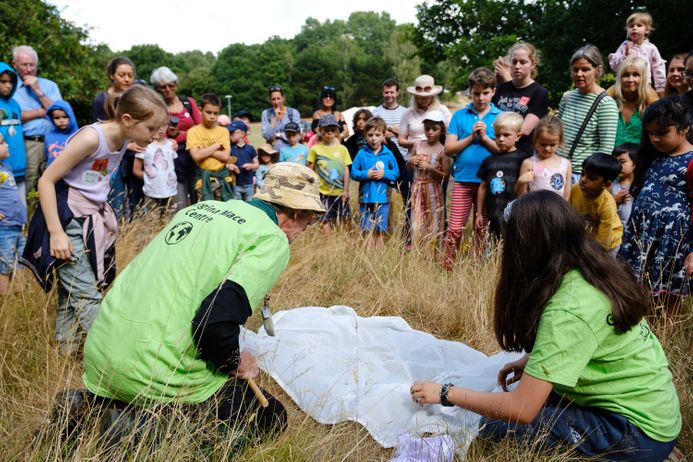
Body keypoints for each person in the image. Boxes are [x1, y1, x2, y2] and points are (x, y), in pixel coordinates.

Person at [411, 191, 681, 461]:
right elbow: (586, 341)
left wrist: (446, 393)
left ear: (526, 247)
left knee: (491, 427)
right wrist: (532, 361)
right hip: (656, 412)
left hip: (634, 432)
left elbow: (523, 409)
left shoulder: (569, 308)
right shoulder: (593, 270)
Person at [72, 163, 326, 449]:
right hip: (153, 372)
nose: (306, 229)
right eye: (310, 220)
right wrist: (236, 361)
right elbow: (212, 327)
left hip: (100, 357)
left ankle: (92, 411)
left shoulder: (197, 210)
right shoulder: (271, 238)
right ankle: (144, 436)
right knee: (271, 417)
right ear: (295, 212)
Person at [21, 85, 168, 355]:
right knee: (88, 294)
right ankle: (119, 355)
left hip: (90, 215)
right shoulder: (91, 138)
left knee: (73, 289)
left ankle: (65, 351)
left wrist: (139, 140)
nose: (156, 135)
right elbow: (46, 180)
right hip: (66, 217)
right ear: (127, 120)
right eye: (151, 129)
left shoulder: (124, 137)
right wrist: (56, 233)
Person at [620, 97, 693, 316]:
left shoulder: (691, 160)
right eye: (650, 133)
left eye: (662, 133)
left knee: (665, 302)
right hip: (642, 237)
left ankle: (664, 346)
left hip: (673, 243)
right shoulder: (651, 157)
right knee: (635, 295)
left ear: (685, 128)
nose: (655, 139)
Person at [443, 68, 500, 270]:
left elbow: (503, 150)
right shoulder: (460, 116)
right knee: (455, 228)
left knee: (481, 228)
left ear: (493, 91)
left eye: (485, 93)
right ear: (470, 92)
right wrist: (470, 138)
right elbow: (448, 149)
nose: (480, 98)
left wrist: (485, 138)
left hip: (489, 182)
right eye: (476, 93)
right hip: (463, 180)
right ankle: (447, 267)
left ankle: (477, 268)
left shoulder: (499, 117)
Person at [398, 75, 452, 248]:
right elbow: (401, 139)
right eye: (419, 94)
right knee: (414, 213)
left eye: (426, 94)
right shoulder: (409, 112)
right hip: (416, 168)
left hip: (434, 170)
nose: (423, 98)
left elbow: (451, 133)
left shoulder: (442, 110)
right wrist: (416, 145)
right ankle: (414, 245)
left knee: (435, 211)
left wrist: (436, 146)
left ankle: (435, 246)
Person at [557, 45, 618, 180]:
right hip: (556, 168)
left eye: (585, 69)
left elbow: (605, 151)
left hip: (580, 174)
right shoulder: (567, 97)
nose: (579, 74)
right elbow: (557, 132)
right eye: (575, 70)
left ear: (598, 70)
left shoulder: (605, 104)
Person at [11, 45, 62, 197]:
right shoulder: (9, 87)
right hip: (26, 144)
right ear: (15, 65)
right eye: (24, 65)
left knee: (52, 187)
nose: (29, 69)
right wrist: (41, 111)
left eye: (32, 64)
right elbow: (12, 117)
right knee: (27, 187)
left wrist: (37, 90)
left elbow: (59, 113)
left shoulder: (50, 86)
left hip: (52, 142)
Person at [151, 66, 202, 211]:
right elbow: (156, 134)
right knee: (179, 201)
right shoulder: (157, 108)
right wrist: (171, 136)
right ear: (157, 89)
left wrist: (178, 136)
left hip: (193, 156)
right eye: (163, 86)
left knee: (196, 196)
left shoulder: (188, 103)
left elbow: (200, 128)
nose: (167, 89)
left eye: (170, 85)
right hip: (171, 160)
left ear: (176, 85)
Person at [475, 112, 527, 240]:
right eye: (497, 135)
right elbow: (482, 187)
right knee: (492, 247)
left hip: (514, 216)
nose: (501, 139)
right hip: (492, 215)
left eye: (506, 135)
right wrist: (479, 213)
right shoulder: (488, 160)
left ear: (518, 136)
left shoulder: (523, 159)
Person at [491, 42, 549, 155]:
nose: (517, 66)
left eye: (523, 62)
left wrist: (496, 132)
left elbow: (524, 130)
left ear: (533, 64)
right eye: (514, 62)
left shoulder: (539, 92)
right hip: (494, 151)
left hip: (521, 154)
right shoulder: (500, 89)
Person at [350, 117, 399, 248]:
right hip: (365, 198)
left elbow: (396, 173)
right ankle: (367, 254)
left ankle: (379, 256)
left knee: (380, 229)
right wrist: (366, 174)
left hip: (383, 199)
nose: (373, 138)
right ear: (365, 136)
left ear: (383, 135)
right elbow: (353, 172)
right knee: (367, 228)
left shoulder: (388, 154)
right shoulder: (361, 154)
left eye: (378, 135)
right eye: (370, 135)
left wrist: (385, 174)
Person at [407, 111, 448, 254]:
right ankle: (419, 253)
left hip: (433, 191)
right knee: (416, 223)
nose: (430, 132)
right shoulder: (417, 145)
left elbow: (445, 176)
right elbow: (408, 166)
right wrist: (410, 161)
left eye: (434, 129)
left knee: (434, 222)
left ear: (441, 130)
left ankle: (434, 255)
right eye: (427, 128)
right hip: (417, 189)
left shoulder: (443, 150)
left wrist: (430, 168)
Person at [187, 93, 238, 202]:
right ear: (200, 110)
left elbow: (225, 157)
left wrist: (205, 149)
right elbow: (196, 156)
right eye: (208, 112)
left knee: (224, 214)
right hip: (202, 182)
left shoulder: (223, 131)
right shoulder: (193, 132)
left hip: (222, 180)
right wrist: (216, 146)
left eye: (216, 113)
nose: (212, 116)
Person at [569, 153, 623, 255]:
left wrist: (595, 255)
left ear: (606, 184)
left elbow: (604, 239)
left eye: (591, 178)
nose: (583, 180)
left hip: (609, 243)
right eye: (582, 174)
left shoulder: (607, 205)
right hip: (587, 237)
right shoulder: (575, 189)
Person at [307, 114, 352, 230]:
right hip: (322, 193)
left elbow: (346, 170)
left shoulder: (342, 149)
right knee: (325, 219)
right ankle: (328, 242)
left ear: (337, 131)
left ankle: (345, 242)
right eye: (326, 130)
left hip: (339, 192)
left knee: (345, 219)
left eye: (332, 130)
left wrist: (346, 190)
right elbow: (310, 170)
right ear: (320, 130)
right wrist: (311, 190)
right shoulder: (315, 149)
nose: (329, 132)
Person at [608, 11, 666, 95]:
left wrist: (660, 87)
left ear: (647, 30)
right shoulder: (624, 46)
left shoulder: (651, 48)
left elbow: (658, 67)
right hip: (625, 85)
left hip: (645, 85)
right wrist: (625, 55)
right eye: (631, 26)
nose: (634, 28)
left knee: (648, 105)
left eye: (639, 25)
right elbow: (614, 66)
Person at [607, 57, 659, 146]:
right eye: (626, 75)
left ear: (643, 78)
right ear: (620, 78)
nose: (630, 80)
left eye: (636, 75)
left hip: (640, 157)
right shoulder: (611, 101)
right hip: (611, 157)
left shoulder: (649, 102)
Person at [517, 115, 572, 199]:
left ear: (560, 142)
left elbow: (566, 195)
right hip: (535, 209)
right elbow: (521, 196)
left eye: (552, 144)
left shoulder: (566, 165)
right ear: (535, 140)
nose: (547, 148)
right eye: (543, 144)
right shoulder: (529, 164)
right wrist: (520, 182)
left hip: (557, 210)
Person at [0, 132, 27, 296]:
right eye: (2, 143)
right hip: (4, 228)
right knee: (5, 266)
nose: (7, 145)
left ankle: (18, 297)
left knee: (20, 263)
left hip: (16, 226)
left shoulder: (6, 167)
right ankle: (4, 300)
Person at [132, 125, 178, 213]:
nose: (161, 128)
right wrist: (150, 178)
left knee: (170, 222)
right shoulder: (145, 145)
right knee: (152, 223)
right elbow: (136, 170)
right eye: (158, 124)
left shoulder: (171, 145)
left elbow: (171, 168)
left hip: (170, 192)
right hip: (151, 193)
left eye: (164, 125)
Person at [0, 62, 26, 206]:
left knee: (20, 210)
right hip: (2, 168)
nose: (8, 85)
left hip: (19, 167)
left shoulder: (15, 104)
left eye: (11, 82)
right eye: (3, 81)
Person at [372, 78, 408, 158]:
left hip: (404, 156)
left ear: (397, 93)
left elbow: (408, 134)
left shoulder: (406, 112)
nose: (389, 95)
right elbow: (375, 134)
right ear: (382, 93)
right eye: (386, 92)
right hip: (383, 156)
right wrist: (397, 130)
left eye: (392, 92)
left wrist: (388, 128)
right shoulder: (375, 113)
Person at [91, 57, 135, 122]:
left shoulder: (134, 98)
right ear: (111, 75)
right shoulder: (101, 100)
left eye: (130, 75)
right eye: (122, 75)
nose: (127, 79)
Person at [261, 85, 301, 151]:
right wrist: (274, 118)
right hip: (274, 153)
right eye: (273, 99)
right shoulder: (265, 113)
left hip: (291, 151)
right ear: (269, 100)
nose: (276, 102)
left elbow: (298, 135)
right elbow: (267, 136)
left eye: (278, 98)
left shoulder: (293, 113)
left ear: (283, 98)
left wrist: (278, 135)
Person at [229, 120, 258, 201]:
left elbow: (257, 164)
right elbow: (225, 163)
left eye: (233, 132)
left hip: (249, 184)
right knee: (237, 205)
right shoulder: (230, 149)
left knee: (249, 205)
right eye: (229, 133)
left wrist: (251, 166)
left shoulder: (250, 148)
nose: (230, 135)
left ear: (242, 134)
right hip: (236, 184)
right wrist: (229, 166)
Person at [44, 100, 78, 168]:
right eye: (57, 118)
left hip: (73, 175)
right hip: (53, 175)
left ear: (71, 116)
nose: (61, 120)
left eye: (65, 117)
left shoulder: (79, 135)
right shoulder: (48, 136)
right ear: (51, 119)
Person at [610, 142, 638, 226]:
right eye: (615, 162)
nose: (617, 165)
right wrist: (614, 200)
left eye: (622, 162)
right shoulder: (611, 185)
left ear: (636, 163)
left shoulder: (640, 187)